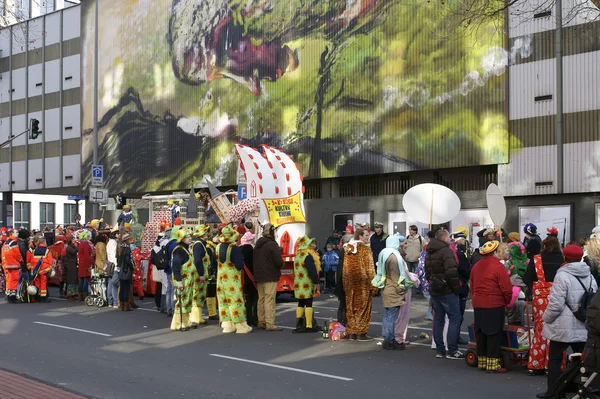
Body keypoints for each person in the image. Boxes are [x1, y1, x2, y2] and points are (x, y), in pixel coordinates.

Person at [536, 245, 597, 399]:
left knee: (555, 359)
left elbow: (556, 304)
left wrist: (546, 319)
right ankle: (582, 389)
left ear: (565, 257)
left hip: (563, 326)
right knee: (583, 360)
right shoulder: (590, 276)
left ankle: (553, 392)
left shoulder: (562, 276)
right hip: (583, 323)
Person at [470, 240, 513, 373]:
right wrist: (506, 302)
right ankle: (492, 364)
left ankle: (482, 361)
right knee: (494, 334)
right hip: (494, 303)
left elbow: (472, 285)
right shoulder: (498, 267)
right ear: (495, 252)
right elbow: (506, 288)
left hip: (478, 303)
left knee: (481, 333)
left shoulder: (476, 266)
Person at [525, 233, 565, 376]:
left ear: (545, 246)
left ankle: (536, 364)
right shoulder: (562, 260)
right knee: (557, 330)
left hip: (540, 299)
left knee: (540, 329)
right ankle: (553, 365)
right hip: (558, 296)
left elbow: (527, 278)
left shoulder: (536, 260)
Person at [425, 228, 463, 359]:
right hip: (447, 289)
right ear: (443, 238)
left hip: (435, 288)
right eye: (448, 237)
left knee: (438, 319)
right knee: (454, 318)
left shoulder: (429, 251)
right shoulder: (446, 251)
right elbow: (452, 271)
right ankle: (452, 349)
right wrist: (456, 288)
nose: (450, 239)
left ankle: (440, 350)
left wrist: (432, 282)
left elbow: (427, 271)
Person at [376, 233, 409, 350]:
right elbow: (396, 276)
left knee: (387, 315)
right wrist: (401, 289)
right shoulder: (394, 257)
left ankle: (386, 338)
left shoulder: (383, 254)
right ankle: (390, 340)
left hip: (385, 287)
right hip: (392, 289)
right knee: (392, 316)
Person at [216, 226, 252, 334]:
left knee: (223, 302)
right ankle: (241, 326)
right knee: (235, 301)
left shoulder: (217, 247)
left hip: (220, 279)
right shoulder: (234, 248)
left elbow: (214, 263)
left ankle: (227, 325)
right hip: (232, 280)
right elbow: (240, 265)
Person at [343, 227, 376, 341]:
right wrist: (373, 284)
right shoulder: (364, 249)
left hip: (350, 284)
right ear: (360, 236)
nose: (368, 237)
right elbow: (370, 268)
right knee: (363, 308)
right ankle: (361, 332)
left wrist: (346, 284)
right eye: (366, 235)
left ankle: (352, 332)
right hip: (363, 283)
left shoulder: (348, 249)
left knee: (351, 307)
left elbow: (345, 269)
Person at [253, 223, 284, 331]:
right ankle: (269, 323)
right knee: (269, 299)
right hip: (270, 275)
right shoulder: (272, 244)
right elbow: (278, 261)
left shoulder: (258, 244)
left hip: (259, 275)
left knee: (261, 299)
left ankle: (261, 321)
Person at [292, 235, 321, 333]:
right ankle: (309, 325)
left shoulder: (297, 256)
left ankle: (299, 325)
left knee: (300, 303)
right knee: (309, 304)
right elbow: (312, 271)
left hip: (298, 284)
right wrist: (316, 282)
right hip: (306, 284)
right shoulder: (307, 256)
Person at [170, 229, 197, 331]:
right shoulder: (178, 250)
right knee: (181, 302)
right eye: (187, 237)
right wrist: (179, 281)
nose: (190, 238)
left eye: (190, 236)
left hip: (189, 280)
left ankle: (186, 322)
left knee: (187, 301)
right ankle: (178, 323)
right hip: (183, 280)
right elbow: (176, 267)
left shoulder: (186, 248)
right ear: (181, 239)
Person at [189, 225, 212, 327]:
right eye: (206, 231)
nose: (207, 233)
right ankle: (195, 317)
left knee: (200, 295)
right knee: (197, 295)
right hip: (199, 275)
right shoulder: (199, 245)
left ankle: (198, 317)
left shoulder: (201, 244)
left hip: (201, 274)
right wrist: (201, 274)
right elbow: (197, 260)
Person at [28, 235, 54, 303]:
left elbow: (32, 261)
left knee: (37, 284)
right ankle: (43, 298)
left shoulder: (34, 251)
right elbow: (50, 262)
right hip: (44, 270)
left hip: (36, 271)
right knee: (43, 284)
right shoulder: (47, 251)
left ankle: (38, 297)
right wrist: (48, 269)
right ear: (44, 242)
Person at [240, 230, 258, 327]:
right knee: (254, 298)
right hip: (250, 277)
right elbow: (253, 264)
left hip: (243, 277)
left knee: (247, 299)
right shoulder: (250, 250)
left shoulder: (239, 249)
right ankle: (254, 318)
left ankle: (247, 317)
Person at [335, 235, 352, 326]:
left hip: (341, 280)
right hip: (344, 280)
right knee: (344, 304)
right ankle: (343, 322)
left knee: (342, 303)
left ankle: (341, 321)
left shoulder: (343, 250)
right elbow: (343, 268)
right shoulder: (346, 251)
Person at [2, 230, 22, 303]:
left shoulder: (6, 243)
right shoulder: (13, 243)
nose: (17, 233)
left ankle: (8, 295)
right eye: (16, 232)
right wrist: (21, 260)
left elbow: (3, 254)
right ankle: (12, 297)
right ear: (12, 234)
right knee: (14, 281)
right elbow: (17, 254)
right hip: (13, 265)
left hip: (6, 265)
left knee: (8, 281)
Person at [117, 233, 135, 311]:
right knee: (126, 288)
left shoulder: (120, 248)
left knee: (122, 287)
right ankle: (126, 305)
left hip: (120, 269)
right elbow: (129, 260)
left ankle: (122, 305)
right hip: (126, 270)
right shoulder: (127, 249)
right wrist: (132, 266)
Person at [77, 231, 94, 302]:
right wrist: (90, 263)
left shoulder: (80, 244)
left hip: (81, 263)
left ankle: (80, 296)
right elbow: (87, 256)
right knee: (86, 280)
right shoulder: (86, 245)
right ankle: (85, 295)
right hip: (86, 264)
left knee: (81, 279)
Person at [61, 236, 79, 301]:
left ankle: (74, 293)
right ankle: (69, 294)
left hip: (73, 264)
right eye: (73, 239)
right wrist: (78, 247)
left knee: (74, 280)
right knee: (71, 280)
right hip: (70, 265)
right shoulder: (68, 247)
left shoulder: (71, 247)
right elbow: (73, 251)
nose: (74, 240)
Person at [106, 229, 119, 308]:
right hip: (114, 265)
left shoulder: (109, 243)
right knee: (114, 284)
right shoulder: (114, 243)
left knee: (110, 283)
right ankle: (115, 302)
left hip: (109, 264)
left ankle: (110, 302)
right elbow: (115, 255)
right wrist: (117, 266)